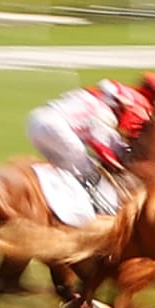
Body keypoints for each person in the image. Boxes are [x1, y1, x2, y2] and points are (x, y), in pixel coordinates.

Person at [26, 82, 127, 214]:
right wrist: (118, 166)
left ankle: (55, 196)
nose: (121, 109)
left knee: (59, 166)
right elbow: (100, 147)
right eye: (119, 104)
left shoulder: (84, 95)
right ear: (112, 101)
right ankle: (99, 206)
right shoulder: (105, 112)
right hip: (54, 125)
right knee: (83, 163)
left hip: (35, 120)